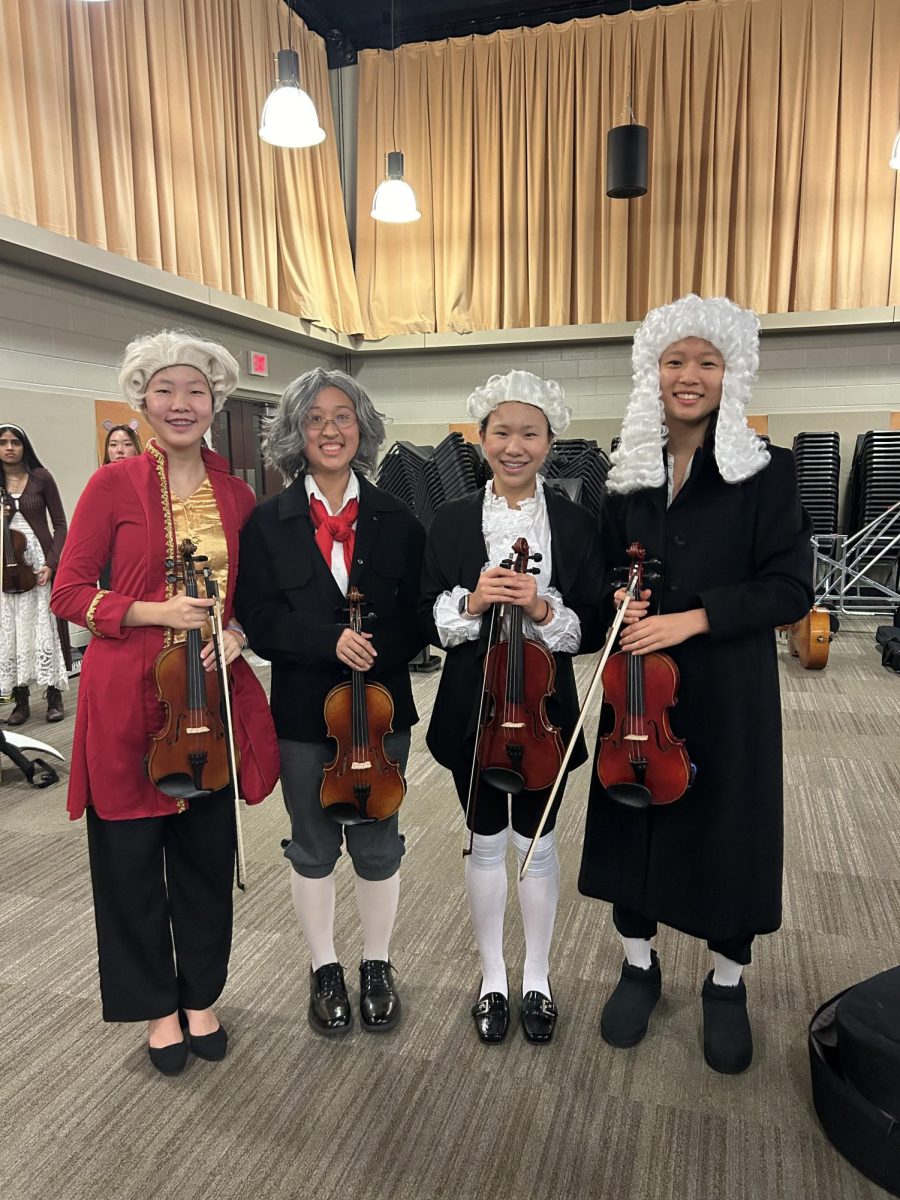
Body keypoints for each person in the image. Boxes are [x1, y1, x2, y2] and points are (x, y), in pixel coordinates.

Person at [578, 294, 814, 1074]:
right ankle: (638, 963)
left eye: (705, 362)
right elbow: (608, 566)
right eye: (674, 361)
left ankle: (725, 980)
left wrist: (692, 620)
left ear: (730, 373)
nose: (688, 376)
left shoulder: (767, 473)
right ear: (652, 371)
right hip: (639, 688)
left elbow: (789, 588)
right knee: (632, 813)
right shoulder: (625, 469)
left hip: (726, 689)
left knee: (727, 826)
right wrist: (619, 592)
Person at [52, 330, 279, 1076]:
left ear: (214, 401)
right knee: (129, 863)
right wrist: (153, 613)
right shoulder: (109, 487)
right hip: (124, 700)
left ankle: (201, 995)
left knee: (205, 859)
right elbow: (70, 592)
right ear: (143, 399)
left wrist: (238, 633)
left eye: (195, 392)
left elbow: (249, 601)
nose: (180, 405)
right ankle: (155, 1005)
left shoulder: (239, 492)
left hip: (206, 698)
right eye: (165, 391)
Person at [235, 368, 425, 1037]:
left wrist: (376, 645)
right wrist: (325, 640)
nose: (330, 430)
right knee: (311, 845)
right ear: (295, 433)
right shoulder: (266, 523)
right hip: (300, 714)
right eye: (313, 418)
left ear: (363, 427)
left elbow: (422, 614)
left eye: (342, 416)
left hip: (380, 712)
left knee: (379, 843)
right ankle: (324, 966)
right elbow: (254, 615)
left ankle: (377, 963)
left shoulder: (398, 518)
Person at [419, 371, 604, 1045]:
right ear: (481, 439)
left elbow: (586, 629)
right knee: (484, 840)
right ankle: (493, 976)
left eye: (530, 433)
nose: (515, 445)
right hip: (472, 706)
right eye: (502, 432)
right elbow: (428, 616)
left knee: (538, 842)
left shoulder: (579, 523)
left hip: (546, 708)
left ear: (550, 442)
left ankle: (539, 978)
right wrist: (471, 602)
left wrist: (539, 606)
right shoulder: (447, 520)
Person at [0, 424, 69, 724]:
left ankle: (54, 695)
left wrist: (52, 564)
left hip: (38, 565)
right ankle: (21, 701)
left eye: (15, 442)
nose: (9, 447)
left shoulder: (42, 478)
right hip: (5, 566)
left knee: (46, 627)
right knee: (11, 631)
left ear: (25, 446)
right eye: (2, 443)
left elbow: (61, 525)